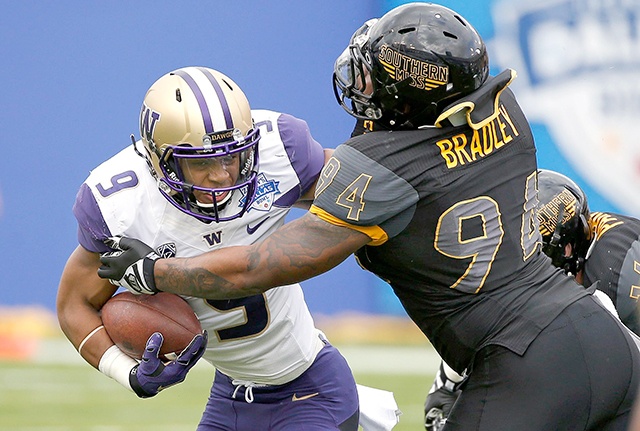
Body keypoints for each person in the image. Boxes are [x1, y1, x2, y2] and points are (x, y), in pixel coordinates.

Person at [97, 4, 640, 430]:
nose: (364, 85)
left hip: (525, 359)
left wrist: (158, 273)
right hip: (601, 340)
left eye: (376, 76)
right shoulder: (504, 108)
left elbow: (265, 264)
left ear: (410, 92)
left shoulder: (383, 169)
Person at [56, 66, 363, 431]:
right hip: (230, 397)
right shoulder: (121, 205)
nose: (221, 176)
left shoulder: (280, 150)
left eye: (230, 157)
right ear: (159, 159)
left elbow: (362, 195)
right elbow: (74, 304)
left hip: (312, 388)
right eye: (201, 162)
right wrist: (129, 373)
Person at [423, 168, 640, 430]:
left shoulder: (614, 278)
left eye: (528, 248)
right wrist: (447, 381)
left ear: (566, 249)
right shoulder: (587, 245)